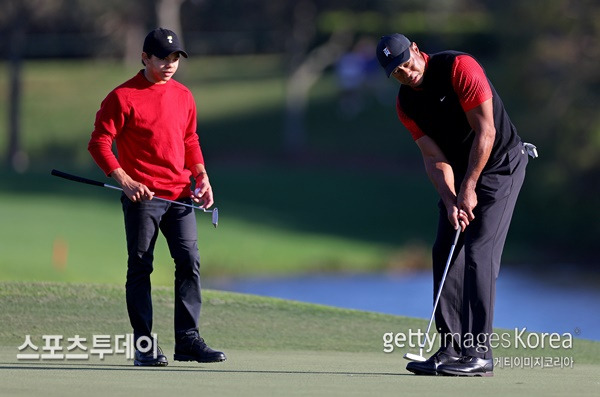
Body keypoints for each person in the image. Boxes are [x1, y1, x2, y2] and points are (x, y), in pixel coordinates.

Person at [376, 33, 531, 376]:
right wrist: (450, 199)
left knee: (478, 252)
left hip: (501, 166)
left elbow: (486, 132)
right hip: (461, 173)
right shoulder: (406, 105)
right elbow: (434, 159)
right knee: (445, 249)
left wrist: (470, 187)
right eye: (396, 71)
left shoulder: (459, 67)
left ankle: (480, 355)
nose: (405, 72)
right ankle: (451, 349)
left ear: (416, 49)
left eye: (407, 62)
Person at [88, 28, 226, 366]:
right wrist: (124, 179)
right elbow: (99, 143)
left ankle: (188, 340)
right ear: (145, 57)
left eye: (175, 58)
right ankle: (145, 346)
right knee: (141, 267)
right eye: (162, 58)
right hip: (143, 197)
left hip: (180, 195)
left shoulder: (183, 95)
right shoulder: (123, 97)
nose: (169, 64)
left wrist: (201, 175)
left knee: (189, 262)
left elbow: (190, 139)